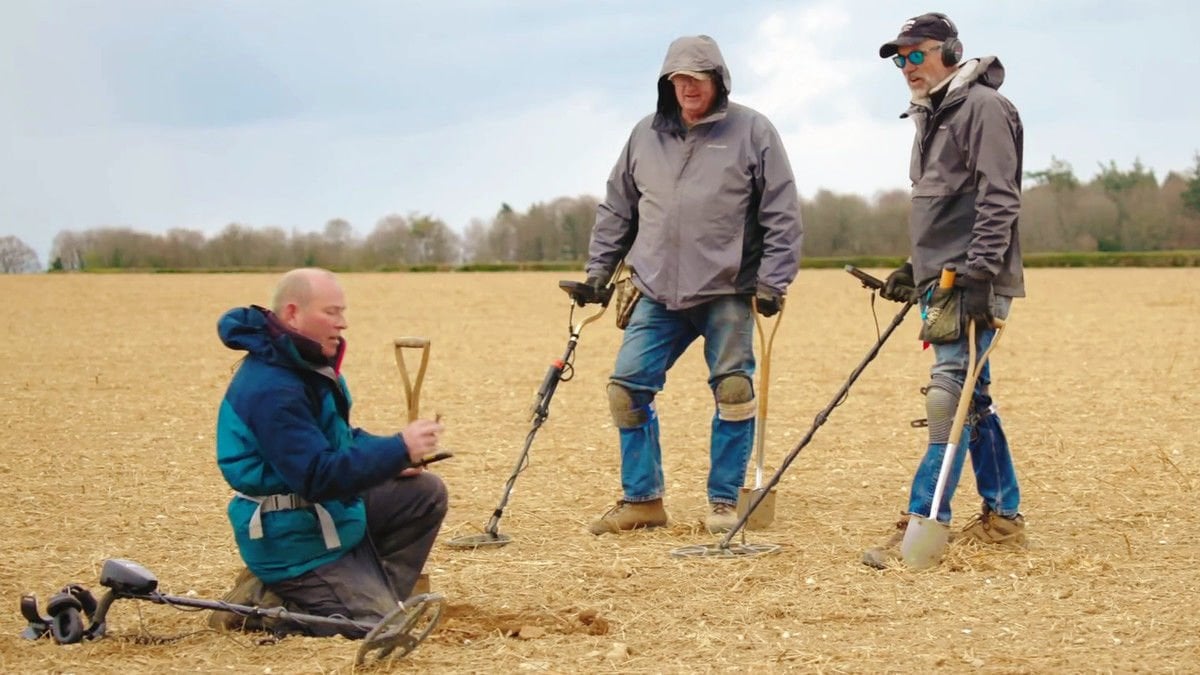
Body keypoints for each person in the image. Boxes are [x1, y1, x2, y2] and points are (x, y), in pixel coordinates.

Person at [569, 35, 803, 535]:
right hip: (655, 289)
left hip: (727, 289)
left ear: (717, 80)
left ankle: (723, 503)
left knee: (734, 391)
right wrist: (598, 272)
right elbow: (617, 209)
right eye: (677, 79)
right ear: (666, 83)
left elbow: (782, 213)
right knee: (626, 390)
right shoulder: (643, 135)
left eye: (696, 78)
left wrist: (773, 281)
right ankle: (643, 501)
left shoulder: (754, 131)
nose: (686, 87)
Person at [862, 13, 1026, 568]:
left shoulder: (982, 109)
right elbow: (943, 209)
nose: (907, 67)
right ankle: (1004, 517)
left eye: (916, 54)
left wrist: (979, 274)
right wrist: (916, 266)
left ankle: (923, 522)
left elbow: (998, 197)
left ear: (950, 51)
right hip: (944, 278)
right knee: (971, 400)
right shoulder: (930, 114)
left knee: (947, 397)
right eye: (899, 59)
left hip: (972, 280)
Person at [211, 267, 448, 635]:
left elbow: (339, 439)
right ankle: (265, 603)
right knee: (382, 628)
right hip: (292, 538)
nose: (343, 323)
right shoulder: (274, 388)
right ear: (293, 313)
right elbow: (317, 476)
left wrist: (392, 458)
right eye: (331, 312)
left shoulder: (304, 366)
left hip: (319, 517)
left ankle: (366, 591)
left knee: (424, 494)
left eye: (342, 312)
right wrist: (399, 448)